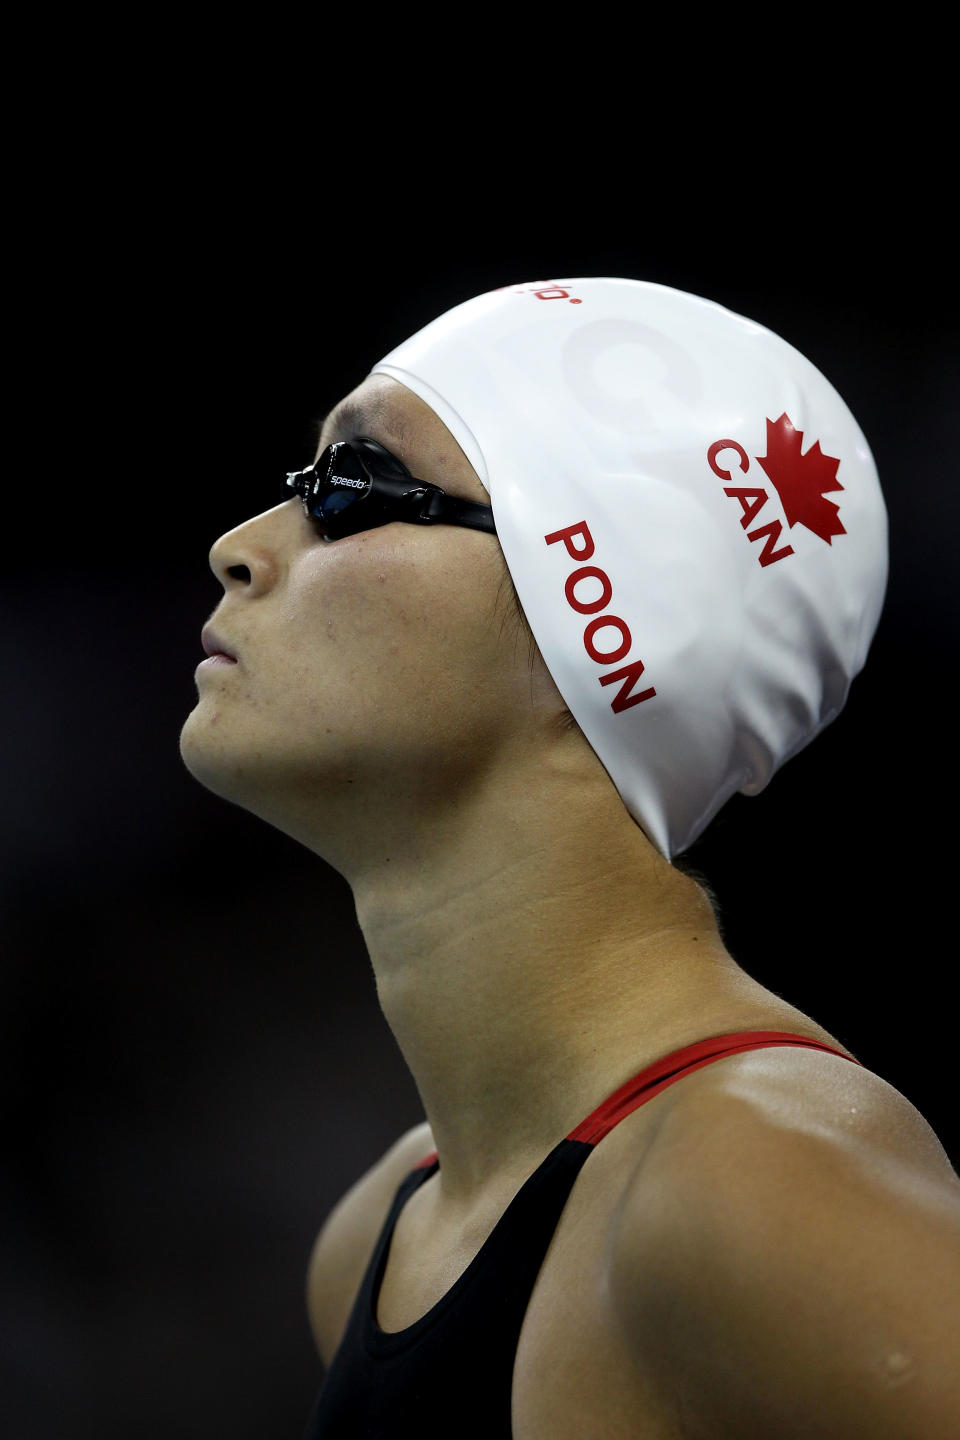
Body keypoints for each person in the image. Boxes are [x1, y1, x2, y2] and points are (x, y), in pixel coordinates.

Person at [179, 279, 959, 1438]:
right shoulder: (382, 1237)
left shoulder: (755, 1179)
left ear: (590, 631)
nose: (237, 547)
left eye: (349, 491)